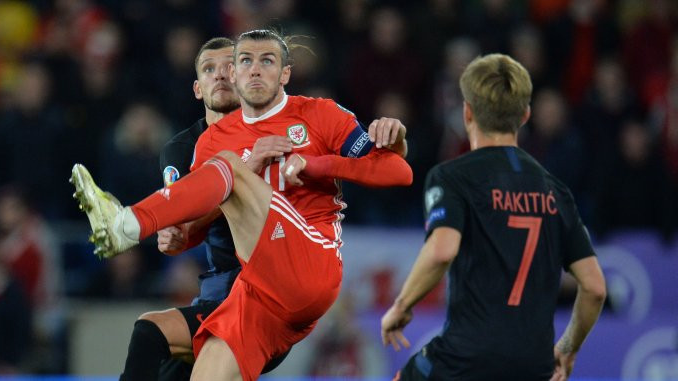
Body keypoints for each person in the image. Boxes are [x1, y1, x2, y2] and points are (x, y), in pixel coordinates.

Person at [71, 29, 412, 381]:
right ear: (235, 73)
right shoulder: (210, 141)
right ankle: (133, 223)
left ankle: (127, 223)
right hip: (255, 292)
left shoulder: (319, 114)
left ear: (285, 75)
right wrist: (178, 235)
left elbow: (398, 171)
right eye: (246, 61)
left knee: (231, 165)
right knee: (182, 357)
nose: (255, 70)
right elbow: (193, 231)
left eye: (267, 61)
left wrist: (317, 164)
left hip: (309, 263)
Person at [380, 54, 606, 381]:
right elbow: (595, 287)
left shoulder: (452, 177)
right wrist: (568, 349)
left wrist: (402, 306)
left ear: (467, 112)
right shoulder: (556, 191)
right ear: (525, 115)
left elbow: (442, 250)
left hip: (464, 360)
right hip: (535, 367)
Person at [119, 37, 288, 380]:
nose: (220, 76)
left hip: (263, 299)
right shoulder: (183, 148)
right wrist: (173, 232)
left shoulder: (274, 137)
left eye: (230, 67)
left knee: (149, 332)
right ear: (198, 88)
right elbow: (182, 226)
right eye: (209, 70)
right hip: (217, 296)